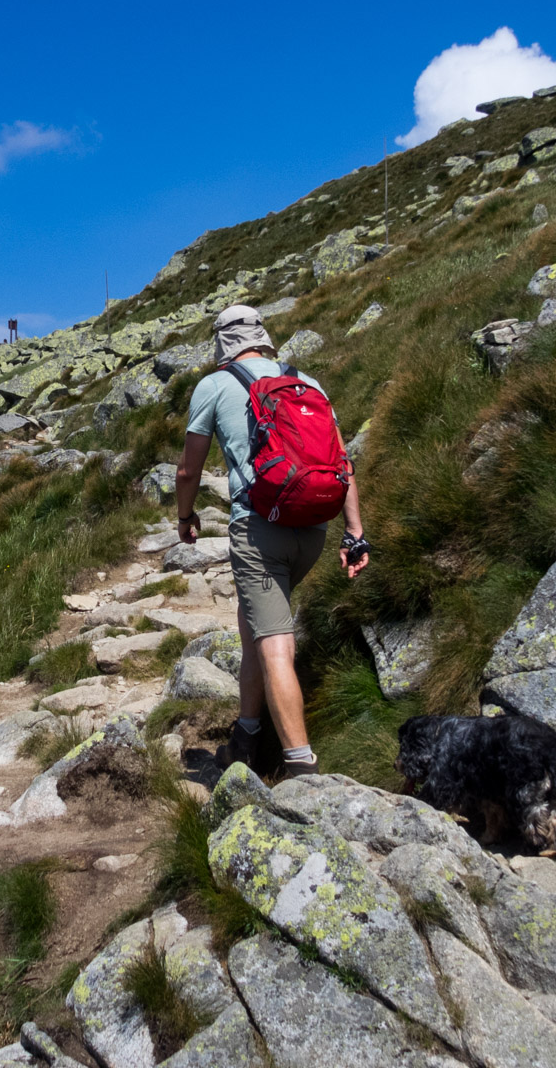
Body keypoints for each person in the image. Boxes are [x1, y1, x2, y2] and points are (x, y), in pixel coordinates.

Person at [175, 304, 370, 780]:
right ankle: (246, 740)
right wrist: (355, 532)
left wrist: (185, 517)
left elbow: (187, 470)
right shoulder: (308, 384)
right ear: (263, 336)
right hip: (313, 527)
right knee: (254, 627)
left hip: (260, 528)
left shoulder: (215, 385)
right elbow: (341, 464)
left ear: (222, 342)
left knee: (275, 643)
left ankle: (301, 766)